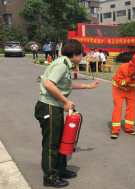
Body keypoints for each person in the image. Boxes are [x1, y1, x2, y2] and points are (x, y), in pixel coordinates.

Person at [34, 39, 101, 188]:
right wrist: (65, 101)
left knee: (60, 140)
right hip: (48, 106)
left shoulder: (64, 64)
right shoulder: (60, 65)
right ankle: (50, 177)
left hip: (54, 106)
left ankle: (61, 170)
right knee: (52, 143)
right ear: (75, 54)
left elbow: (67, 84)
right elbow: (49, 84)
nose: (82, 57)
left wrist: (88, 86)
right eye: (81, 55)